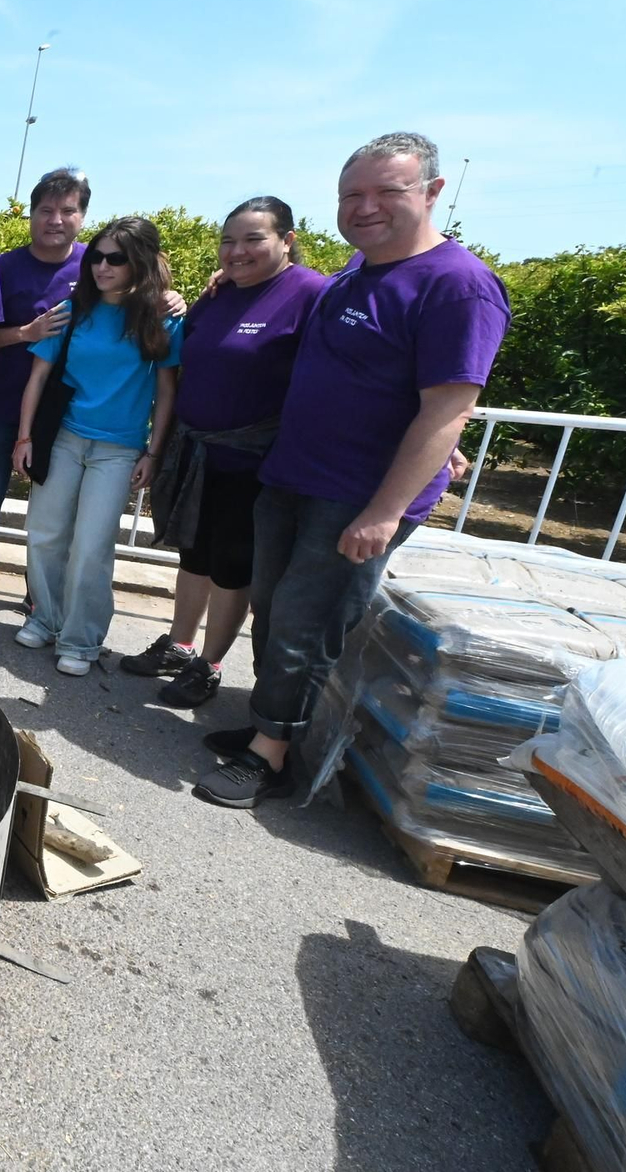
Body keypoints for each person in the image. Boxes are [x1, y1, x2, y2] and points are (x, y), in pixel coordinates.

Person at [195, 133, 510, 808]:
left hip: (356, 495)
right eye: (351, 196)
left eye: (385, 192)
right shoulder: (355, 276)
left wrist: (387, 508)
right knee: (275, 609)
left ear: (431, 191)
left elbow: (448, 406)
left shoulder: (458, 285)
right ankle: (265, 726)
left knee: (309, 622)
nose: (365, 207)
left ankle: (271, 756)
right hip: (293, 474)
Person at [118, 197, 327, 707]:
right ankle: (179, 644)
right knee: (195, 555)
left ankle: (209, 665)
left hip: (254, 461)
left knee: (233, 566)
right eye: (228, 241)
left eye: (253, 239)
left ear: (287, 241)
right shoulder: (221, 292)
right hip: (199, 454)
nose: (237, 251)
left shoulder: (313, 294)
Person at [12, 216, 182, 675]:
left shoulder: (161, 317)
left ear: (139, 262)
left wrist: (154, 451)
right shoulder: (74, 308)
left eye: (116, 258)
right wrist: (25, 438)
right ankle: (44, 618)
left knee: (91, 547)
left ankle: (81, 641)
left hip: (120, 449)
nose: (103, 266)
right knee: (45, 534)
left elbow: (167, 391)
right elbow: (39, 377)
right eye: (97, 257)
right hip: (63, 438)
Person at [0, 167, 86, 612]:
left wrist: (174, 298)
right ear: (31, 215)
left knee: (52, 509)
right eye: (46, 210)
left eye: (68, 210)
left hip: (65, 409)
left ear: (82, 217)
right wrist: (26, 333)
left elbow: (143, 296)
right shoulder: (3, 267)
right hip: (4, 401)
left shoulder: (96, 265)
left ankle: (39, 591)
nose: (56, 219)